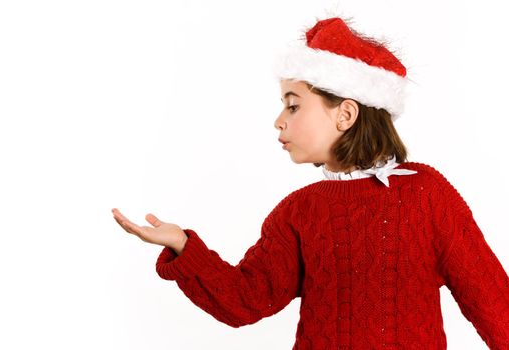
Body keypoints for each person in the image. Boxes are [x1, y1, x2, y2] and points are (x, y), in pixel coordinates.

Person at [112, 16, 509, 349]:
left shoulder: (426, 194)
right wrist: (183, 246)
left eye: (293, 104)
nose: (279, 120)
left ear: (346, 114)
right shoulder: (299, 210)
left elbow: (493, 303)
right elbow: (247, 300)